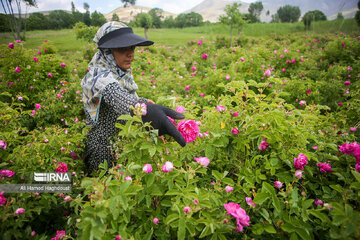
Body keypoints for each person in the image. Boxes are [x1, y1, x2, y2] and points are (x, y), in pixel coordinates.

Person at [81, 21, 186, 174]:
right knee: (102, 192)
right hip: (103, 151)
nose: (130, 54)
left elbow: (124, 94)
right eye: (122, 48)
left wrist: (143, 102)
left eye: (132, 48)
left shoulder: (120, 73)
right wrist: (146, 110)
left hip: (122, 146)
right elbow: (116, 96)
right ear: (108, 52)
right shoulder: (98, 77)